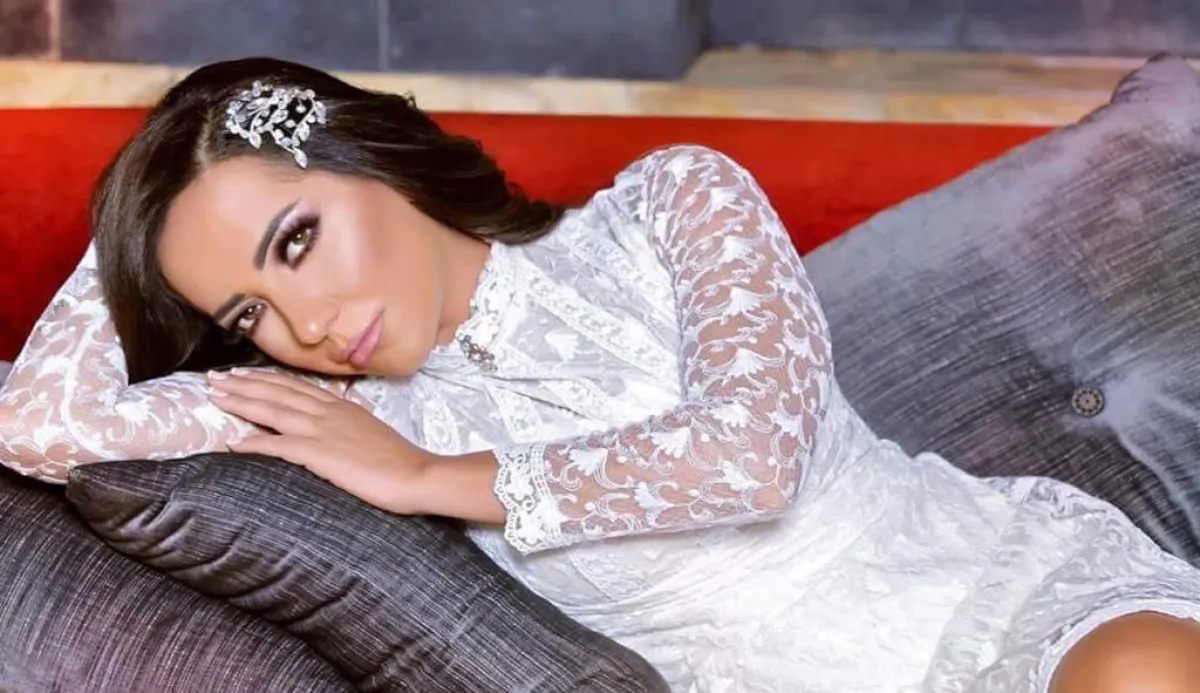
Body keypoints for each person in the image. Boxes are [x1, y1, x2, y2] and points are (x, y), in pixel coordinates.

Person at [2, 57, 1199, 693]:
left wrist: (429, 479)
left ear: (367, 156)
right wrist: (147, 227)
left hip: (999, 592)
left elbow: (753, 458)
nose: (304, 324)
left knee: (1143, 677)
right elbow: (37, 425)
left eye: (297, 240)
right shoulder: (328, 416)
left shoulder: (676, 202)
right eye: (249, 312)